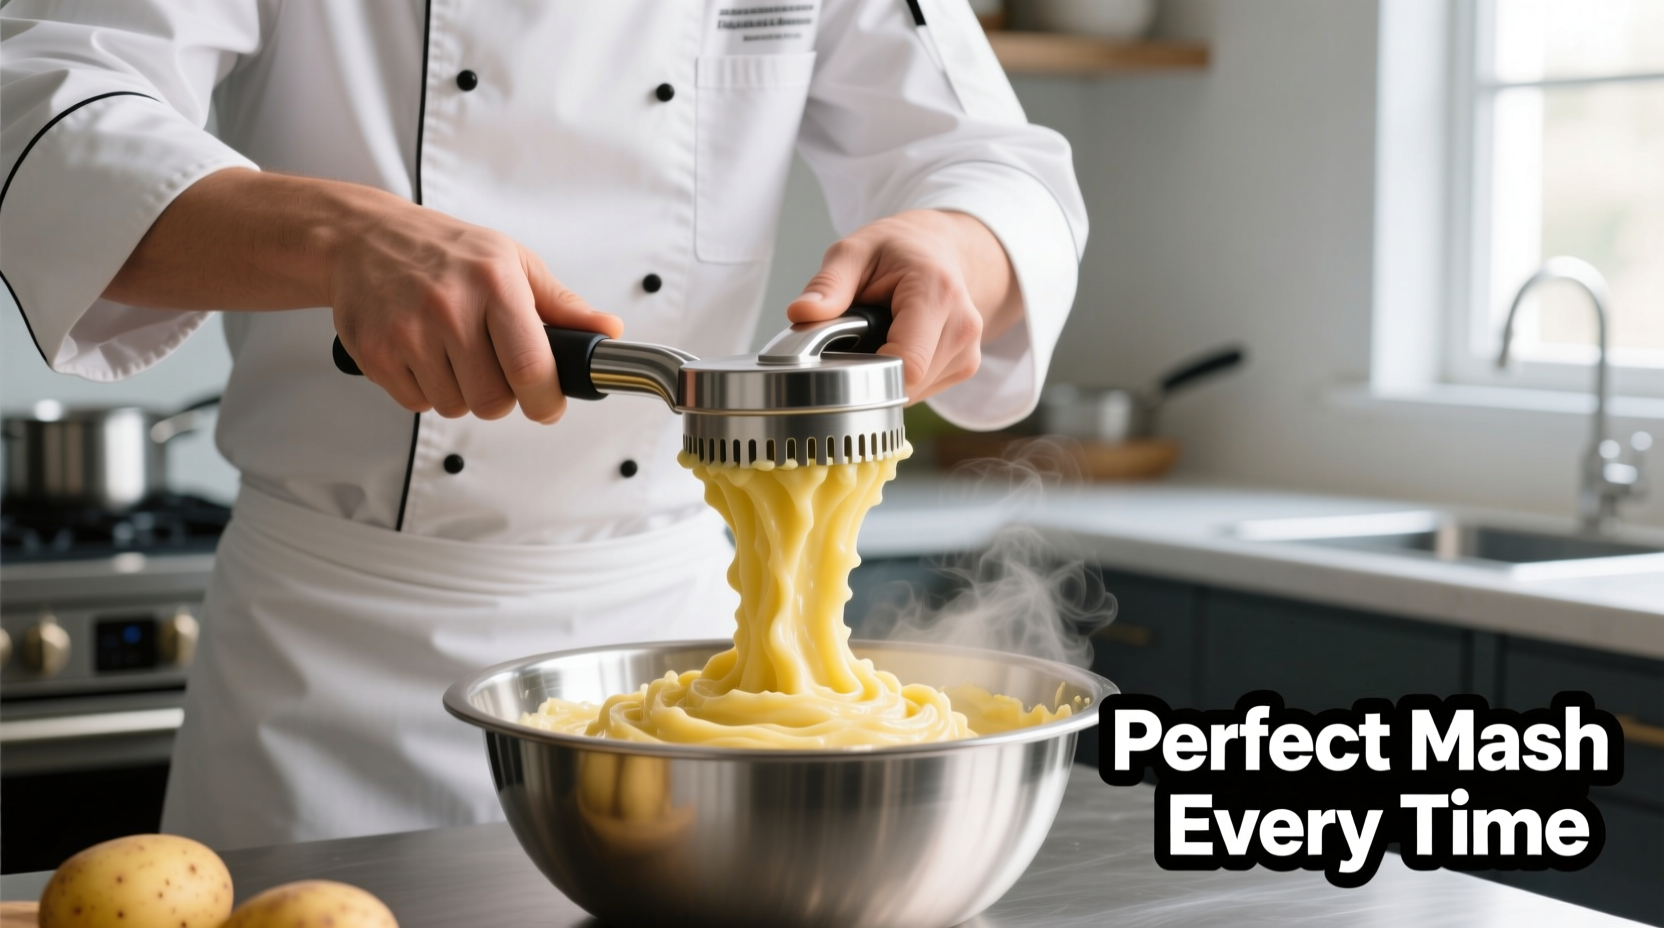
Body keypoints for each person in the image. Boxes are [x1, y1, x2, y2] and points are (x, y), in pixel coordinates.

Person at [0, 0, 1087, 849]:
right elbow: (46, 113)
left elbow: (993, 163)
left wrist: (957, 247)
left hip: (688, 665)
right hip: (330, 665)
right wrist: (343, 238)